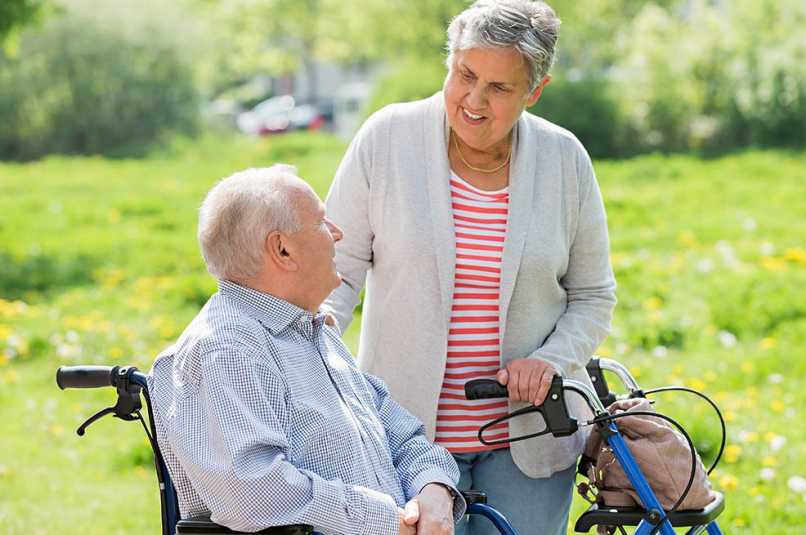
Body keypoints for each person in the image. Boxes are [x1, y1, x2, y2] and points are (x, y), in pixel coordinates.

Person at [322, 1, 616, 533]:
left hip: (528, 442)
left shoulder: (565, 160)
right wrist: (309, 347)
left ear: (535, 91)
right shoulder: (387, 138)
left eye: (500, 88)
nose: (474, 101)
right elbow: (335, 271)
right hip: (405, 439)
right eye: (465, 75)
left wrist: (551, 360)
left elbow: (593, 295)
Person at [147, 164, 464, 535]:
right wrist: (385, 521)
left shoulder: (313, 331)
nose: (338, 234)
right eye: (322, 223)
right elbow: (254, 493)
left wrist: (434, 490)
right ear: (282, 249)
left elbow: (404, 435)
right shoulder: (227, 350)